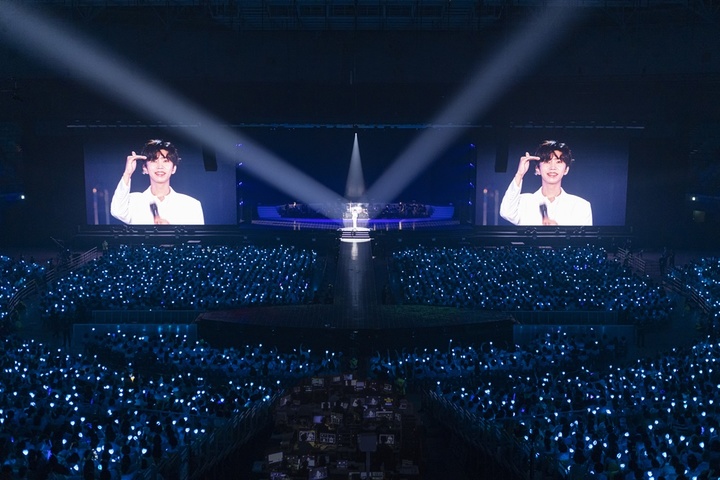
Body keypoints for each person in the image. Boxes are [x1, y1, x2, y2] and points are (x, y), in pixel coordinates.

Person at [110, 139, 204, 225]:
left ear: (174, 169)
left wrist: (171, 232)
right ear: (145, 168)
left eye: (165, 161)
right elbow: (117, 211)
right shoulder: (134, 201)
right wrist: (127, 173)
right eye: (154, 161)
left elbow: (198, 241)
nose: (160, 166)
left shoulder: (191, 205)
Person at [499, 140, 592, 226]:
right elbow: (506, 212)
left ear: (566, 170)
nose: (552, 167)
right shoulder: (524, 202)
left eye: (558, 162)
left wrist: (559, 233)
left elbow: (584, 242)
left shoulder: (580, 206)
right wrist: (519, 174)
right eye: (547, 162)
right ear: (537, 169)